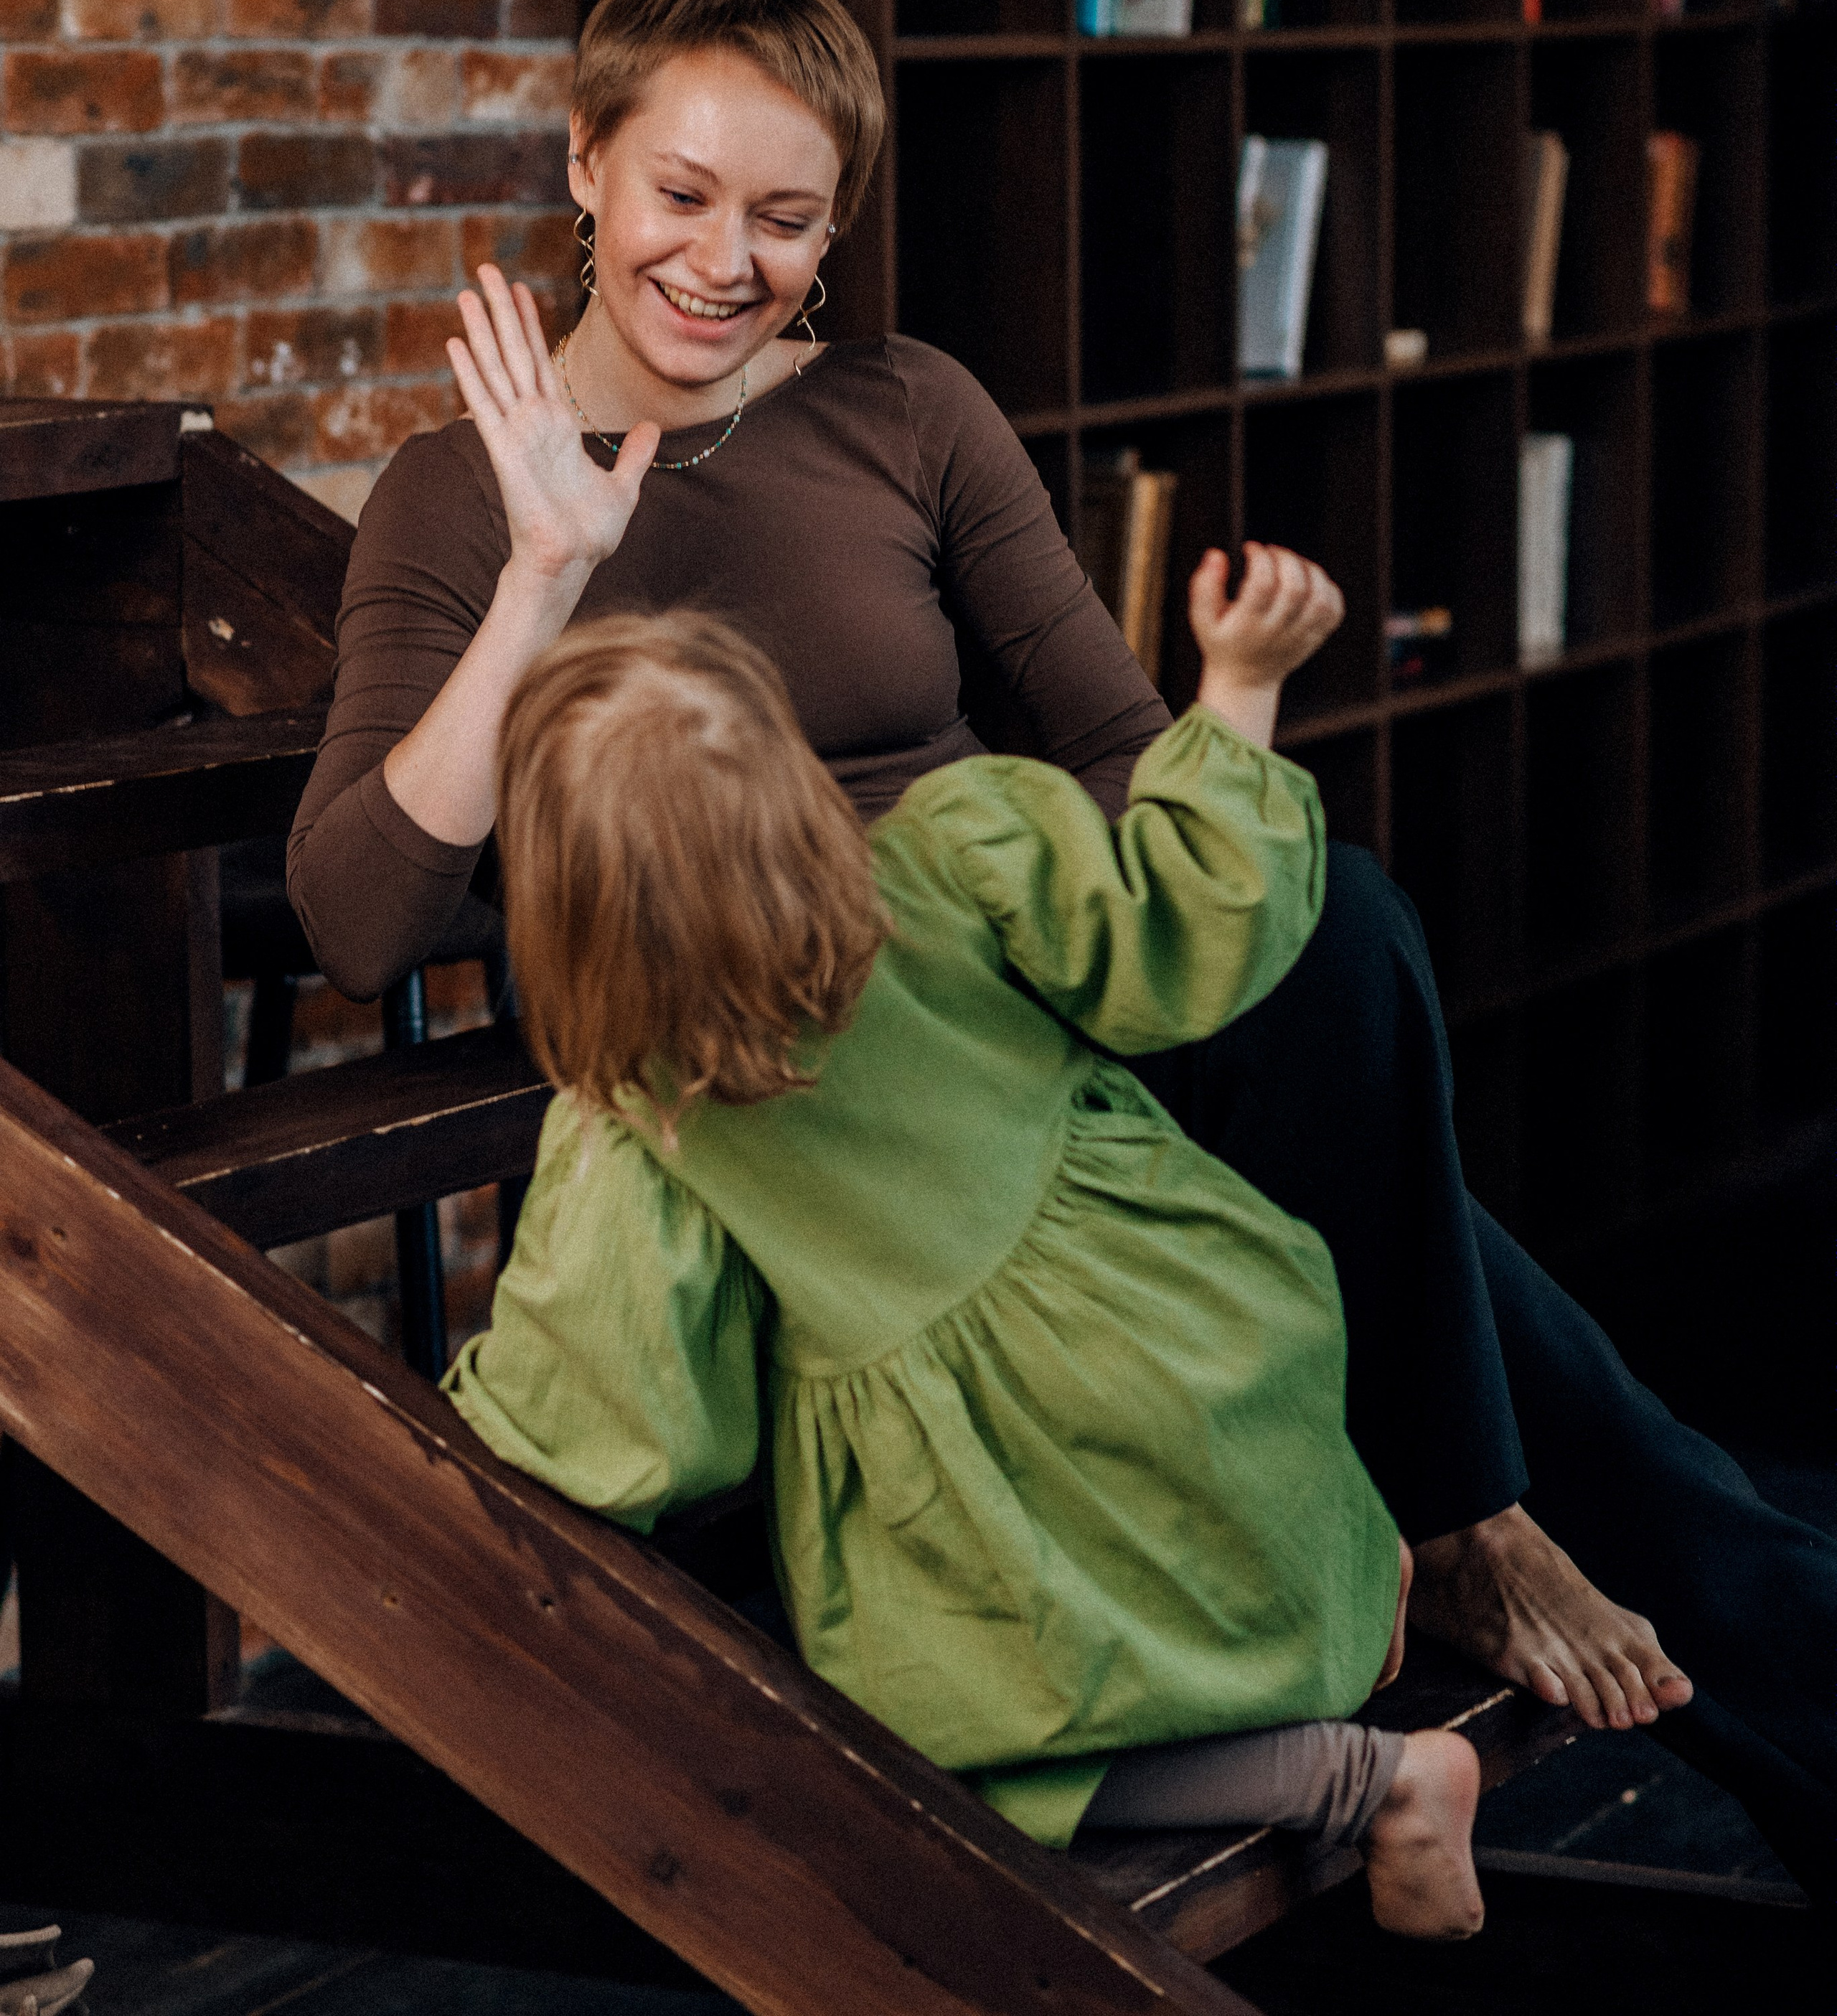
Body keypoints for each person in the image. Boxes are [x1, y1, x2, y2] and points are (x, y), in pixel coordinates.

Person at [288, 0, 1837, 1900]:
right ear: (586, 165)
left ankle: (1479, 1511)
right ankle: (1479, 1508)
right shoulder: (459, 495)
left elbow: (1115, 743)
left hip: (1017, 1000)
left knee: (1339, 931)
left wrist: (1042, 910)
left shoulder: (906, 409)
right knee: (1556, 1379)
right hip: (781, 1079)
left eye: (787, 214)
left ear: (836, 222)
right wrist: (542, 574)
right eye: (682, 193)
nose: (725, 257)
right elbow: (360, 913)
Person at [446, 573, 1487, 1936]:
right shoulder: (954, 846)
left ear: (563, 904)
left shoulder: (647, 1127)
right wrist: (1235, 696)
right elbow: (1179, 932)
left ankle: (1383, 1783)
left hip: (1026, 1492)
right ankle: (1345, 1574)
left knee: (924, 1765)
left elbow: (638, 1418)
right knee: (1211, 1531)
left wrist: (480, 1421)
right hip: (1217, 1351)